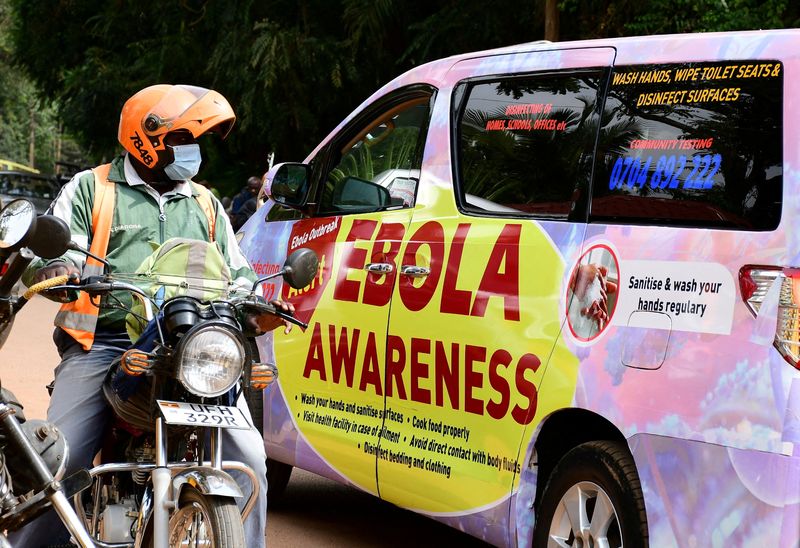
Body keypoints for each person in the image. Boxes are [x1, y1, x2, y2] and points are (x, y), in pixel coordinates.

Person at [14, 84, 285, 548]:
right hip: (105, 343)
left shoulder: (205, 202)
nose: (193, 152)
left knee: (252, 463)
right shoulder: (91, 188)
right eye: (183, 140)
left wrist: (258, 300)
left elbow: (238, 273)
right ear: (148, 137)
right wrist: (60, 268)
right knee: (59, 459)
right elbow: (48, 252)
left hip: (194, 348)